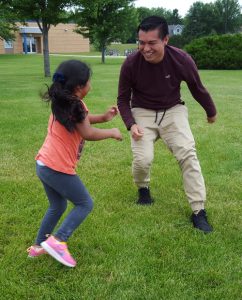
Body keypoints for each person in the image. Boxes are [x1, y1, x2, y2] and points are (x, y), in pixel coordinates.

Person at [117, 16, 217, 233]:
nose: (145, 48)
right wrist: (131, 123)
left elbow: (197, 88)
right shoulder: (131, 64)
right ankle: (143, 189)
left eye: (152, 43)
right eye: (141, 42)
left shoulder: (181, 59)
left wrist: (211, 111)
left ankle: (198, 211)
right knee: (143, 159)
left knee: (188, 154)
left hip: (173, 110)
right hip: (142, 112)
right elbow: (123, 99)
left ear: (166, 40)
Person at [27, 60, 122, 267]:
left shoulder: (63, 101)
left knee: (58, 205)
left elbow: (84, 120)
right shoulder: (75, 104)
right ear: (80, 86)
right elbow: (87, 132)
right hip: (57, 167)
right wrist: (112, 132)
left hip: (43, 164)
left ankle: (38, 247)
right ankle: (59, 241)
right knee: (85, 203)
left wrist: (105, 118)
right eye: (89, 81)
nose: (91, 85)